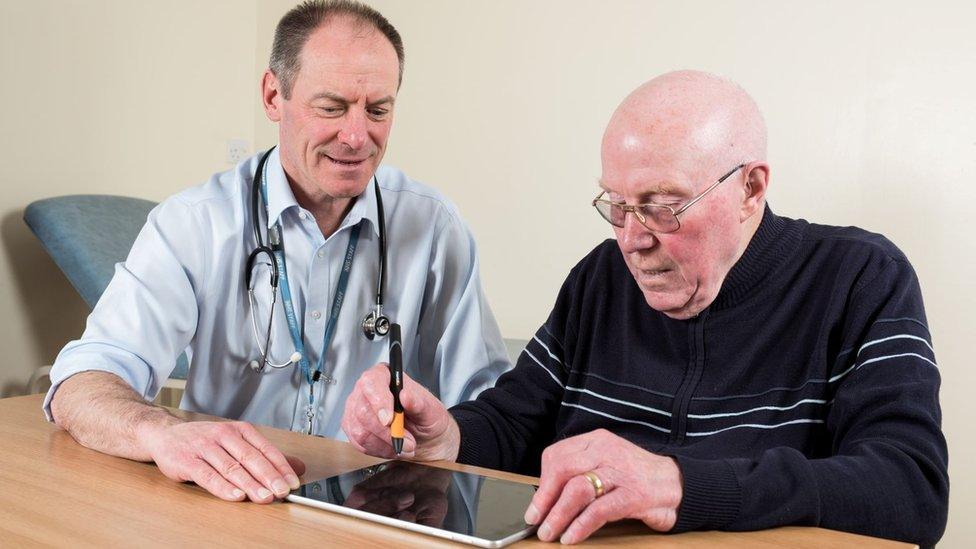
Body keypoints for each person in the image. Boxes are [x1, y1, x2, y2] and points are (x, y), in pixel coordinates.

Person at [341, 70, 949, 546]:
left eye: (663, 204)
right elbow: (515, 423)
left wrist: (682, 486)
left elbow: (909, 488)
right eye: (617, 205)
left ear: (751, 189)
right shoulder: (600, 280)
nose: (631, 239)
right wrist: (446, 437)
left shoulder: (861, 278)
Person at [43, 0, 510, 506]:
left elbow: (490, 409)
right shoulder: (196, 224)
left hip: (375, 509)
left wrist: (433, 430)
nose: (357, 137)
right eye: (331, 107)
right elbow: (81, 383)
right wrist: (162, 433)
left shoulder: (434, 228)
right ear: (273, 96)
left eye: (378, 110)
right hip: (229, 506)